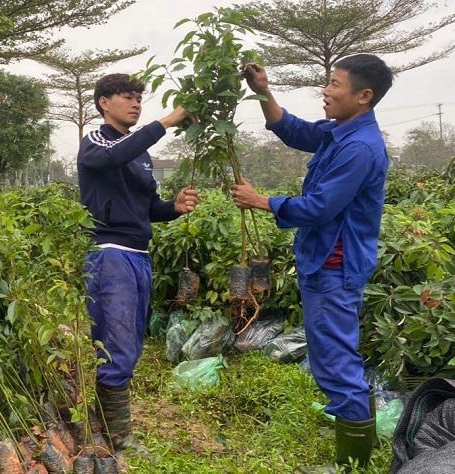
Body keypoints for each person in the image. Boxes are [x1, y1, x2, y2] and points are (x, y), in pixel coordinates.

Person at [233, 54, 394, 471]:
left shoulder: (359, 147)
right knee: (332, 352)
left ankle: (353, 462)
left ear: (363, 96)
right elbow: (293, 130)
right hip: (324, 260)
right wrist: (264, 92)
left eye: (335, 84)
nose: (326, 90)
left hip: (335, 265)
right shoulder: (339, 132)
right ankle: (353, 425)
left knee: (335, 359)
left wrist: (261, 200)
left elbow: (320, 207)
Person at [78, 73, 198, 457]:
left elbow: (149, 209)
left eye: (138, 99)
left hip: (138, 255)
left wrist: (174, 209)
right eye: (126, 98)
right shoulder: (97, 141)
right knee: (115, 343)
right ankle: (119, 438)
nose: (135, 104)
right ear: (103, 103)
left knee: (130, 340)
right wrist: (164, 122)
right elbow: (111, 156)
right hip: (108, 253)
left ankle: (106, 422)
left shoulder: (140, 155)